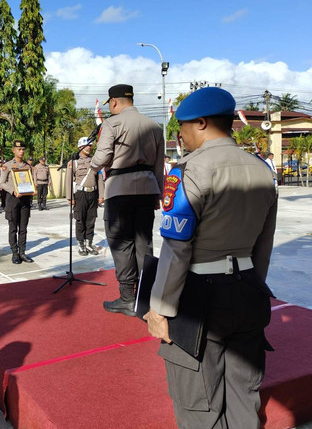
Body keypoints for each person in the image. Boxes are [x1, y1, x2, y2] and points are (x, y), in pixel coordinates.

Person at [144, 87, 277, 429]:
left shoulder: (189, 171)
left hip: (198, 298)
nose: (181, 137)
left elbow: (177, 248)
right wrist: (253, 284)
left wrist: (160, 308)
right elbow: (264, 244)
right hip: (249, 290)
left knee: (198, 405)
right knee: (245, 399)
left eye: (183, 128)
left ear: (201, 123)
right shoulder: (262, 170)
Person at [91, 84, 164, 316]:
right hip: (147, 188)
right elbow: (159, 164)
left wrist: (91, 168)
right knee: (144, 242)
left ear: (113, 102)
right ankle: (147, 298)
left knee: (121, 242)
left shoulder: (112, 123)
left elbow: (103, 156)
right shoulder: (154, 125)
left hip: (120, 189)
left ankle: (127, 298)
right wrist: (158, 194)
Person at [66, 137, 105, 256]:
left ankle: (89, 243)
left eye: (90, 145)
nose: (89, 147)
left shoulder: (94, 161)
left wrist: (101, 195)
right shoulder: (74, 162)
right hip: (80, 194)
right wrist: (70, 197)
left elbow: (99, 179)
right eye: (87, 145)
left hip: (92, 193)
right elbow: (68, 180)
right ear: (80, 147)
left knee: (91, 220)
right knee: (80, 220)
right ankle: (81, 244)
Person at [0, 140, 34, 264]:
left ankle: (22, 252)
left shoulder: (27, 166)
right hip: (13, 199)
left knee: (23, 228)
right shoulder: (7, 166)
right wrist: (13, 190)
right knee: (13, 227)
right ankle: (15, 253)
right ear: (13, 150)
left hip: (25, 199)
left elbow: (30, 182)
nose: (21, 151)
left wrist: (33, 189)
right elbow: (1, 183)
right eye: (19, 149)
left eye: (23, 149)